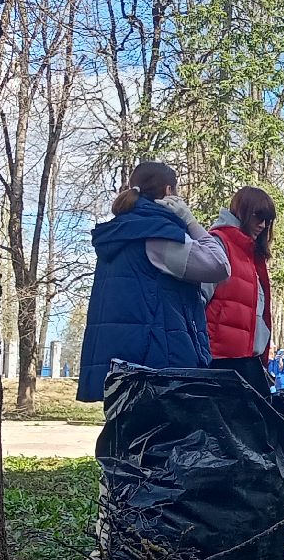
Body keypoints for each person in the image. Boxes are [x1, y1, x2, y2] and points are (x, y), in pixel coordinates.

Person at [77, 161, 229, 402]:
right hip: (160, 365)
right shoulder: (157, 234)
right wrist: (190, 221)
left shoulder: (120, 233)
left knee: (129, 436)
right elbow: (219, 266)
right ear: (169, 192)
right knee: (167, 438)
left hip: (123, 367)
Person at [204, 186, 277, 400]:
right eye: (258, 216)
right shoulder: (219, 243)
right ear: (242, 211)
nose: (262, 225)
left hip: (248, 362)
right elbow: (198, 299)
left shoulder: (252, 254)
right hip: (219, 361)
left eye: (268, 220)